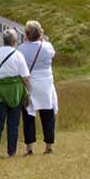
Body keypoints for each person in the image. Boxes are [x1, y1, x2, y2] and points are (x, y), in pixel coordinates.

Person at [0, 29, 31, 161]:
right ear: (15, 41)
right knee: (13, 124)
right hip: (15, 93)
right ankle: (11, 153)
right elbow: (25, 77)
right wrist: (29, 92)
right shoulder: (18, 55)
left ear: (3, 40)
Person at [20, 21, 57, 155]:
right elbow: (53, 54)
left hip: (30, 84)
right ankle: (48, 146)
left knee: (28, 115)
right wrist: (42, 39)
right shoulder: (47, 46)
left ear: (27, 34)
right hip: (46, 83)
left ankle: (29, 148)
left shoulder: (22, 48)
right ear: (40, 33)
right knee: (48, 115)